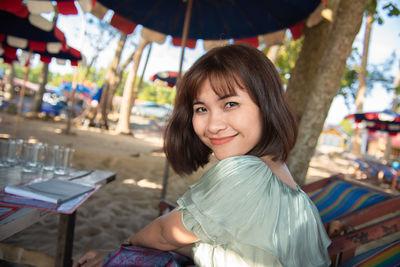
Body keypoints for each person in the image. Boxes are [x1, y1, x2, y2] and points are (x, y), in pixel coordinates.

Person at [74, 44, 331, 267]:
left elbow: (166, 233)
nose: (212, 125)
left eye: (230, 104)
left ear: (266, 106)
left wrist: (124, 249)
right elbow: (228, 250)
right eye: (201, 108)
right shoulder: (281, 177)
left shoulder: (245, 172)